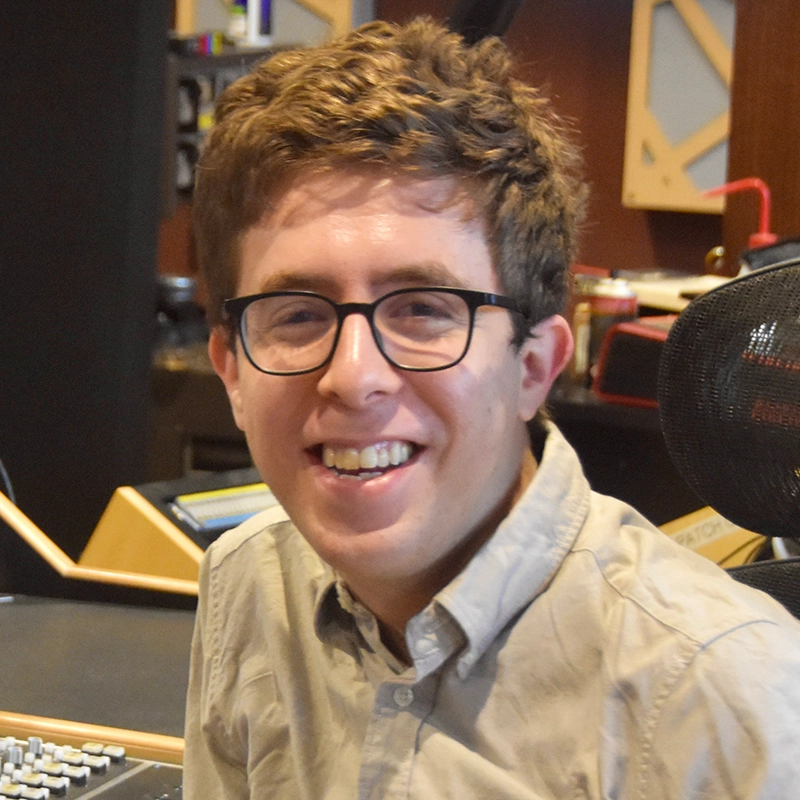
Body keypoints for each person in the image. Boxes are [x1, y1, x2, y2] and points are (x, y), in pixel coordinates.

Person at [184, 17, 800, 799]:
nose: (353, 377)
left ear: (535, 366)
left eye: (424, 310)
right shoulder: (248, 582)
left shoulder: (734, 700)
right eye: (298, 314)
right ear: (231, 369)